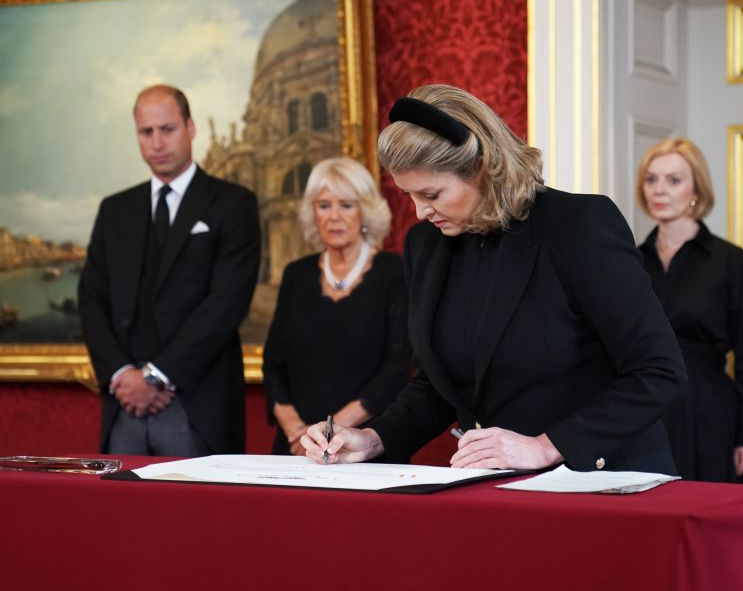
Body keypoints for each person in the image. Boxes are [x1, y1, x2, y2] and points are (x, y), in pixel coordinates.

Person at [300, 84, 687, 472]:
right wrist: (373, 438)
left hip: (602, 486)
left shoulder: (578, 226)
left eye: (432, 194)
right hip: (495, 490)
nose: (420, 212)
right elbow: (439, 387)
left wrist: (545, 447)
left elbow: (657, 371)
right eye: (409, 196)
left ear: (481, 167)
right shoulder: (426, 246)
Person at [78, 84, 261, 456]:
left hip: (198, 405)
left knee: (199, 514)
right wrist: (122, 377)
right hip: (123, 405)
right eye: (147, 132)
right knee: (121, 514)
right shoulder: (115, 210)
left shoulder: (233, 204)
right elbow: (91, 298)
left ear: (190, 128)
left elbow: (226, 303)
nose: (157, 142)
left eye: (168, 129)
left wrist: (155, 377)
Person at [636, 138, 743, 483]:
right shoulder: (630, 260)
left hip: (709, 412)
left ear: (696, 189)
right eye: (651, 179)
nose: (659, 190)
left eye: (673, 180)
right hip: (644, 412)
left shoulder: (730, 262)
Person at [262, 158, 412, 455]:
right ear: (312, 213)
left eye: (346, 205)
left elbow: (396, 369)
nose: (334, 216)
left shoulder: (395, 273)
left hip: (363, 447)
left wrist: (330, 433)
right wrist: (297, 432)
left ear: (365, 211)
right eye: (323, 205)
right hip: (296, 448)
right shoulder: (297, 274)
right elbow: (273, 364)